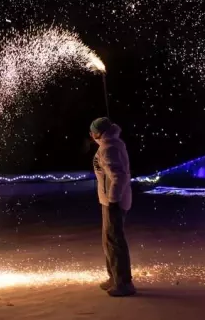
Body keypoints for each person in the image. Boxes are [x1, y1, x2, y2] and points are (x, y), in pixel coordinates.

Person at [90, 117, 136, 297]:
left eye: (92, 131)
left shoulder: (109, 148)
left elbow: (119, 176)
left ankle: (124, 282)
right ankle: (115, 277)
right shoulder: (110, 144)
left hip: (113, 202)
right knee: (109, 241)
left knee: (115, 242)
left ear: (99, 133)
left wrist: (113, 201)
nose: (90, 135)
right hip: (109, 200)